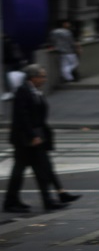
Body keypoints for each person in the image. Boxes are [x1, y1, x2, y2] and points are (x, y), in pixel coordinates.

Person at [3, 65, 69, 213]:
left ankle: (43, 200)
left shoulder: (34, 91)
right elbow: (22, 116)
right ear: (33, 77)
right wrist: (33, 136)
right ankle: (12, 202)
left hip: (33, 138)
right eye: (42, 76)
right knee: (22, 171)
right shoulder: (23, 91)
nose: (44, 79)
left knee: (39, 170)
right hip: (25, 140)